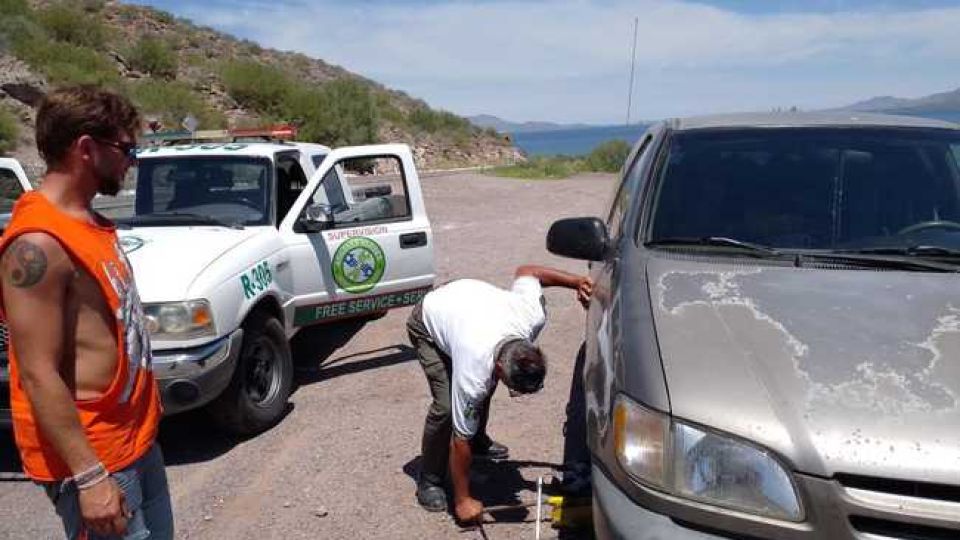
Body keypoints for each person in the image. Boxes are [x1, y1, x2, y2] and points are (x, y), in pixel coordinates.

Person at [0, 86, 171, 539]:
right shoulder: (37, 244)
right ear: (87, 148)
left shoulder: (88, 222)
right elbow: (36, 372)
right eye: (126, 149)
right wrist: (91, 478)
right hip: (97, 459)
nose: (132, 161)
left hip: (134, 441)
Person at [407, 265, 592, 523]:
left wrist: (577, 282)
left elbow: (528, 271)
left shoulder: (531, 316)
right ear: (499, 367)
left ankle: (479, 441)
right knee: (447, 408)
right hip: (429, 320)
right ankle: (429, 480)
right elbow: (459, 440)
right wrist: (463, 500)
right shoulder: (473, 372)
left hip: (464, 301)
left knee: (480, 395)